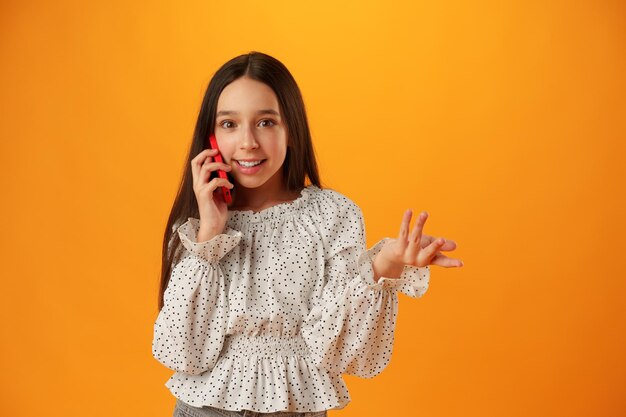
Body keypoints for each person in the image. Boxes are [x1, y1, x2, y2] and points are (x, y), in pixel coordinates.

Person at [151, 51, 463, 417]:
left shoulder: (332, 215)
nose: (248, 141)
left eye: (266, 122)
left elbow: (336, 349)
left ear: (292, 130)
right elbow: (181, 351)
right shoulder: (197, 227)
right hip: (205, 407)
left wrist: (384, 265)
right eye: (229, 124)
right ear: (211, 136)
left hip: (296, 407)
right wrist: (209, 237)